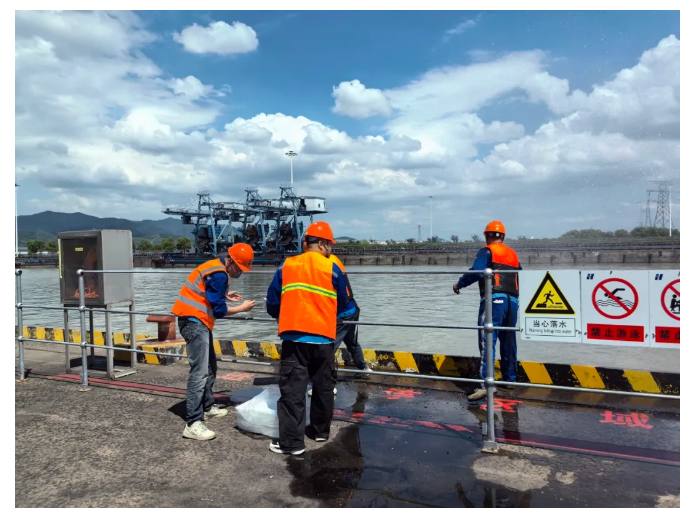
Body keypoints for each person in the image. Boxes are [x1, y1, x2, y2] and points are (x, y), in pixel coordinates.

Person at [265, 221, 349, 455]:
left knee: (293, 390)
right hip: (324, 338)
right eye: (330, 244)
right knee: (324, 387)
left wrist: (281, 316)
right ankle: (321, 432)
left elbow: (272, 301)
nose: (331, 249)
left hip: (294, 338)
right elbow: (344, 302)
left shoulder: (287, 265)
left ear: (306, 243)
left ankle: (292, 444)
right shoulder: (333, 268)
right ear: (322, 244)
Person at [172, 244, 256, 441]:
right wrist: (242, 308)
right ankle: (193, 423)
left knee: (210, 367)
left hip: (196, 320)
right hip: (194, 322)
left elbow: (206, 291)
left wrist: (224, 295)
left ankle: (207, 407)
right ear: (231, 261)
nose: (241, 273)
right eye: (240, 268)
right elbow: (219, 311)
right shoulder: (219, 275)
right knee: (200, 372)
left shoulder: (215, 267)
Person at [453, 221, 521, 401]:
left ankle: (485, 384)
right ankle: (509, 379)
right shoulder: (513, 254)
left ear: (486, 235)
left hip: (493, 299)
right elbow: (518, 274)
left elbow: (476, 272)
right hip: (513, 301)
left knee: (487, 340)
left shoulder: (487, 251)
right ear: (503, 236)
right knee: (508, 340)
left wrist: (459, 284)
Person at [308, 253, 371, 397]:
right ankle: (363, 369)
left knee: (329, 346)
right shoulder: (333, 260)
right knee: (351, 341)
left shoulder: (324, 264)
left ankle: (327, 385)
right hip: (351, 309)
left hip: (342, 313)